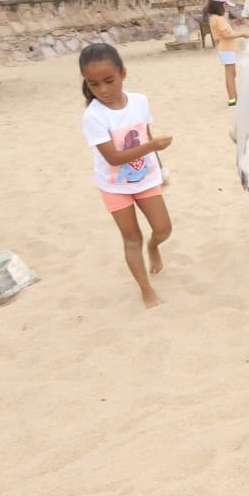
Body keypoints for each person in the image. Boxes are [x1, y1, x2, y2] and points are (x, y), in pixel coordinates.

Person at [79, 43, 173, 309]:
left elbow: (147, 134)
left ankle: (154, 247)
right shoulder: (94, 116)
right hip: (114, 185)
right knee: (132, 238)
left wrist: (160, 166)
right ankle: (146, 290)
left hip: (146, 178)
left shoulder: (140, 101)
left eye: (109, 81)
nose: (104, 90)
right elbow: (114, 158)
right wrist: (152, 148)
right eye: (94, 84)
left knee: (163, 229)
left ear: (123, 73)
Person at [206, 0, 249, 106]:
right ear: (219, 5)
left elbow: (223, 34)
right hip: (226, 49)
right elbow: (226, 36)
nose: (226, 7)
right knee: (230, 74)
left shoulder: (215, 17)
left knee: (231, 73)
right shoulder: (218, 19)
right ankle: (232, 99)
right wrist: (242, 34)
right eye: (225, 4)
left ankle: (234, 97)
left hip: (226, 48)